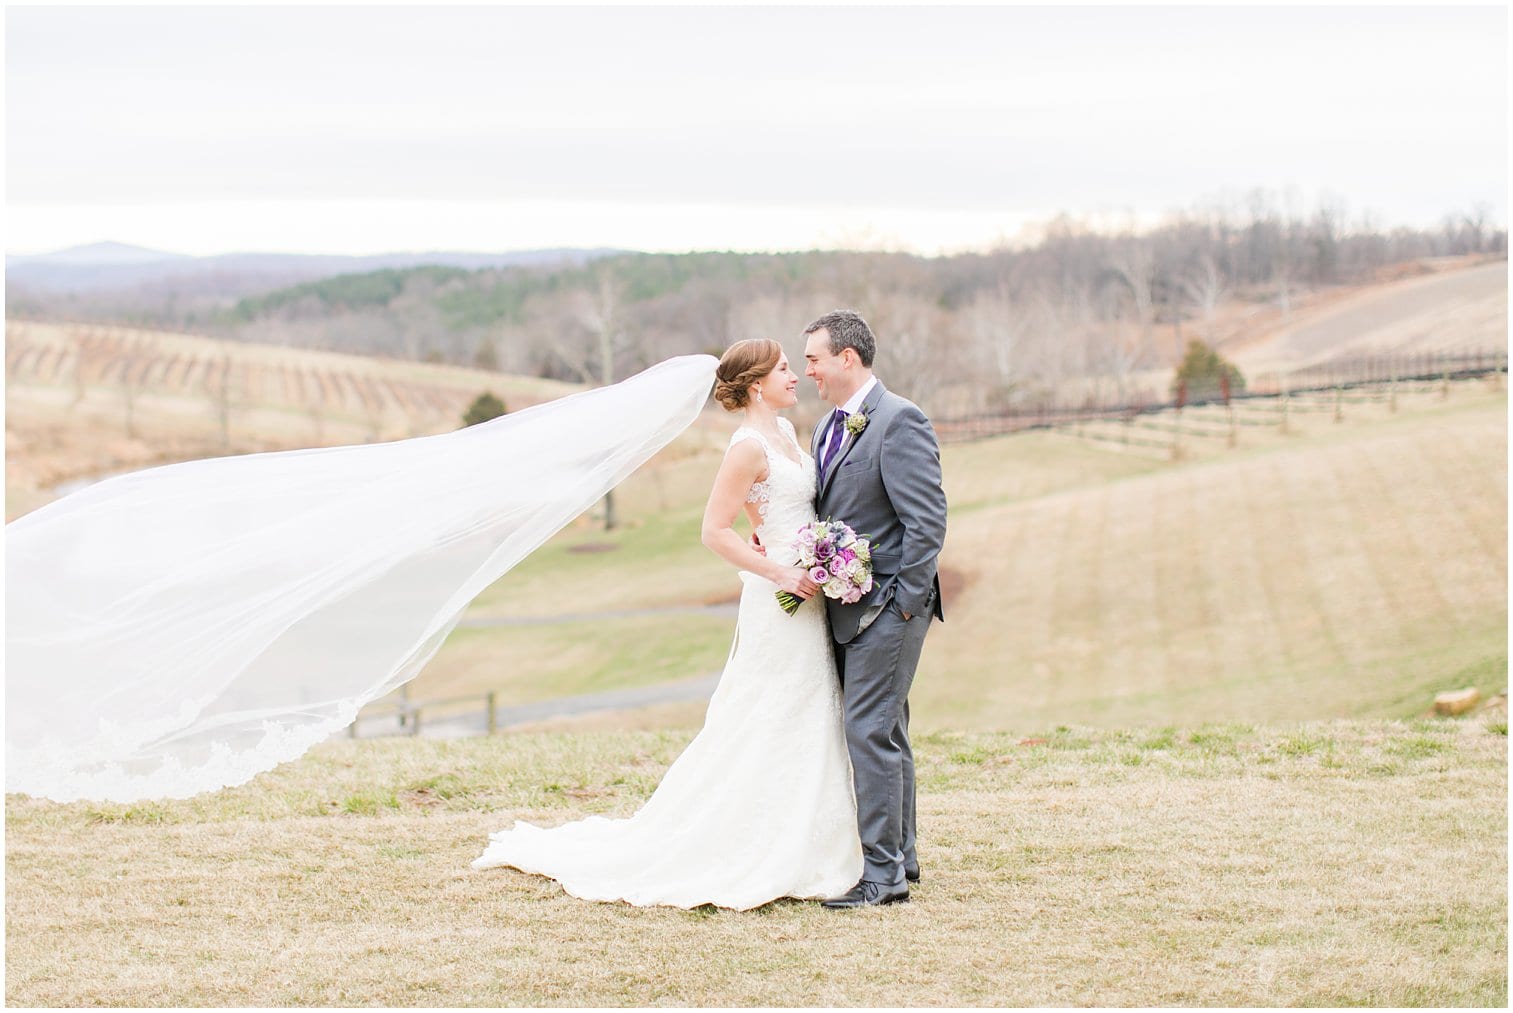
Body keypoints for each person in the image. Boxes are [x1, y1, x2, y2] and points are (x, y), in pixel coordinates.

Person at [471, 339, 864, 910]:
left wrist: (819, 556)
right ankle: (753, 841)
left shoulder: (787, 436)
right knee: (771, 707)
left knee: (805, 706)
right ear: (757, 383)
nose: (795, 376)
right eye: (785, 369)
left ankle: (810, 836)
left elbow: (786, 512)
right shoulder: (747, 447)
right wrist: (780, 571)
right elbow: (715, 531)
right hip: (779, 596)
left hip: (808, 593)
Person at [802, 310, 948, 909]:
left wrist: (904, 607)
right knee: (888, 729)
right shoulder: (826, 427)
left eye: (813, 357)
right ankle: (903, 857)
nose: (807, 368)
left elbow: (927, 523)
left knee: (867, 730)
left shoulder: (898, 420)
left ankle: (882, 877)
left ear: (847, 358)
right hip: (847, 608)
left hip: (888, 608)